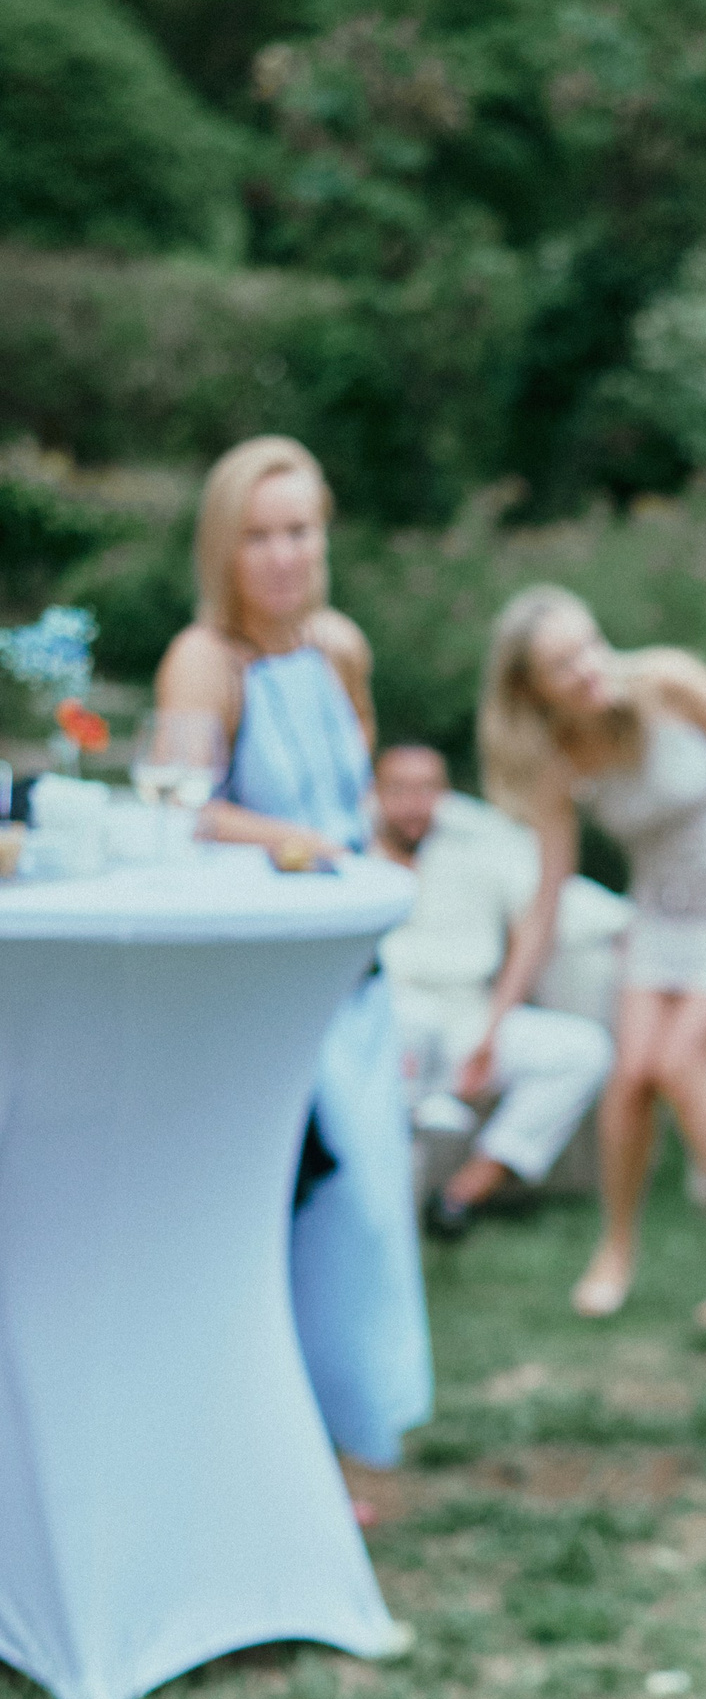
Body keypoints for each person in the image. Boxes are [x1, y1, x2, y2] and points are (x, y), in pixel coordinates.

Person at [154, 435, 432, 1484]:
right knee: (296, 1213)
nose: (283, 554)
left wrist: (365, 852)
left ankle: (350, 1445)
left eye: (300, 531)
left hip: (354, 979)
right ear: (223, 548)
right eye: (259, 535)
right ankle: (269, 1460)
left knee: (367, 1221)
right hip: (263, 998)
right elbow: (180, 811)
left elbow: (356, 792)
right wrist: (289, 841)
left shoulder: (339, 648)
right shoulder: (204, 660)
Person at [475, 588, 706, 1325]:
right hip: (660, 912)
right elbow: (546, 902)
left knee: (682, 1066)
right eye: (563, 665)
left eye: (589, 644)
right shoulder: (560, 763)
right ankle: (616, 1250)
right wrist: (494, 1021)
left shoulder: (670, 683)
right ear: (531, 690)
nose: (590, 667)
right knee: (628, 1080)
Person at [370, 744, 616, 1238]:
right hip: (385, 1022)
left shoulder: (479, 844)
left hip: (469, 1017)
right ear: (375, 794)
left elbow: (544, 913)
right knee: (407, 1036)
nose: (414, 804)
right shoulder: (347, 847)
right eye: (399, 789)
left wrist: (494, 1026)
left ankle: (460, 1196)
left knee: (583, 1050)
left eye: (426, 789)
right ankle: (383, 1210)